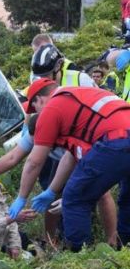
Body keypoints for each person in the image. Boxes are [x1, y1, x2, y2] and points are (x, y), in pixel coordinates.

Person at [9, 78, 130, 251]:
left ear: (40, 99)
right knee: (128, 198)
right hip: (122, 132)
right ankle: (125, 248)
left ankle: (80, 258)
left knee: (74, 199)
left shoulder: (51, 108)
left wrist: (21, 197)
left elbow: (34, 161)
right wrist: (51, 191)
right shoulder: (76, 98)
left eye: (34, 107)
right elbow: (70, 157)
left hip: (115, 139)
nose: (36, 113)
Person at [0, 114, 117, 245]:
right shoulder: (34, 133)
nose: (39, 143)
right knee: (51, 195)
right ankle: (49, 240)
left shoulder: (73, 138)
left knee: (102, 194)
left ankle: (113, 239)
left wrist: (70, 196)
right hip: (63, 161)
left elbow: (82, 171)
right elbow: (12, 158)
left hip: (85, 157)